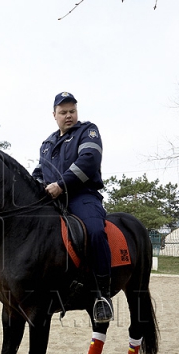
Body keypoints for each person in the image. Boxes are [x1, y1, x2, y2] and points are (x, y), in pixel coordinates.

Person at [32, 92, 113, 322]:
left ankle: (102, 295)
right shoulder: (47, 144)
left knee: (95, 231)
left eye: (72, 111)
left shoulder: (88, 131)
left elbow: (89, 160)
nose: (69, 116)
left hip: (81, 196)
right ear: (54, 115)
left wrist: (61, 184)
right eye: (63, 112)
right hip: (53, 201)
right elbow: (39, 173)